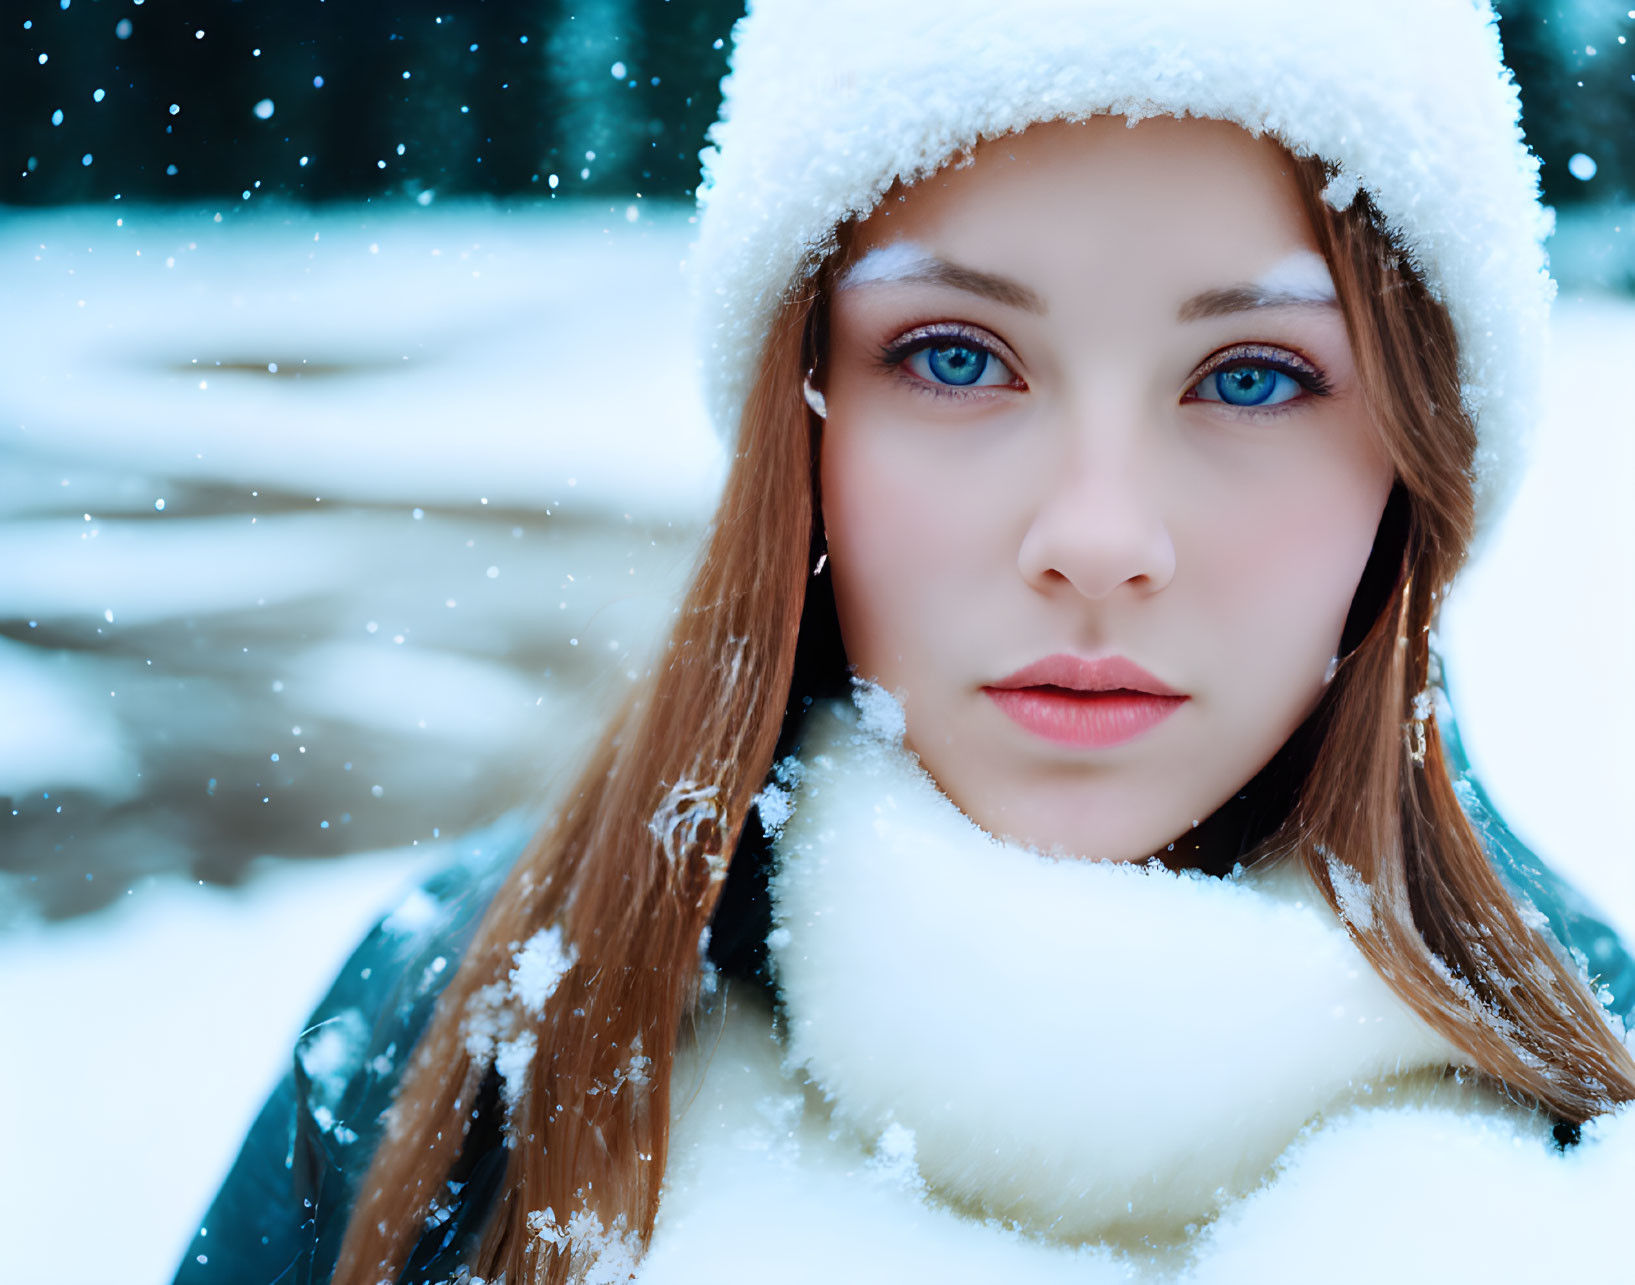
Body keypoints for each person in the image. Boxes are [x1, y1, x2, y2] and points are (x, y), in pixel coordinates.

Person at [175, 1, 1635, 1282]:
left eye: (1252, 376)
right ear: (798, 419)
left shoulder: (1603, 1122)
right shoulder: (462, 1020)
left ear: (1415, 474)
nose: (1098, 534)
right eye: (955, 356)